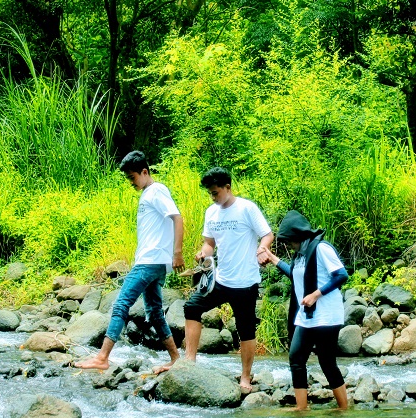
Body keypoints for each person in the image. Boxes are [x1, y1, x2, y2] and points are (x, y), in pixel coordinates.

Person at [163, 167, 273, 392]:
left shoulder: (246, 208)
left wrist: (263, 248)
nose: (213, 198)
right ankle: (190, 361)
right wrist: (204, 253)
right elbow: (209, 243)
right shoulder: (211, 213)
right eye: (210, 194)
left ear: (228, 188)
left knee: (246, 329)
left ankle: (245, 377)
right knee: (192, 307)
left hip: (245, 282)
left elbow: (267, 234)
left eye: (216, 193)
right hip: (220, 281)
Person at [75, 151, 185, 370]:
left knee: (121, 304)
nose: (131, 183)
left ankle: (102, 358)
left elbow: (177, 217)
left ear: (144, 172)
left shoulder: (156, 191)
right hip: (152, 261)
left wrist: (178, 252)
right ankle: (175, 359)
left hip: (150, 261)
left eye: (132, 178)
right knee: (154, 311)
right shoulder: (148, 193)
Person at [260, 211, 348, 411]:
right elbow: (295, 275)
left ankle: (344, 408)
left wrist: (316, 294)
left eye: (290, 241)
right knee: (296, 358)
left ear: (299, 237)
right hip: (306, 316)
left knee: (327, 362)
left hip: (326, 316)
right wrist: (274, 259)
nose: (289, 245)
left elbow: (342, 275)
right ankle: (302, 408)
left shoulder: (321, 248)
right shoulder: (299, 256)